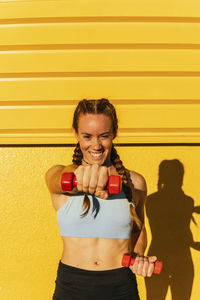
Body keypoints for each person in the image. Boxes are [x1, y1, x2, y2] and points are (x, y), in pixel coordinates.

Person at [45, 98, 157, 300]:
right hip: (72, 286)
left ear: (114, 133)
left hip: (121, 286)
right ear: (76, 134)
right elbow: (57, 180)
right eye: (87, 136)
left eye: (103, 136)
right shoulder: (60, 176)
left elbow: (139, 227)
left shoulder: (135, 183)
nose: (95, 145)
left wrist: (138, 257)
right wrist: (78, 178)